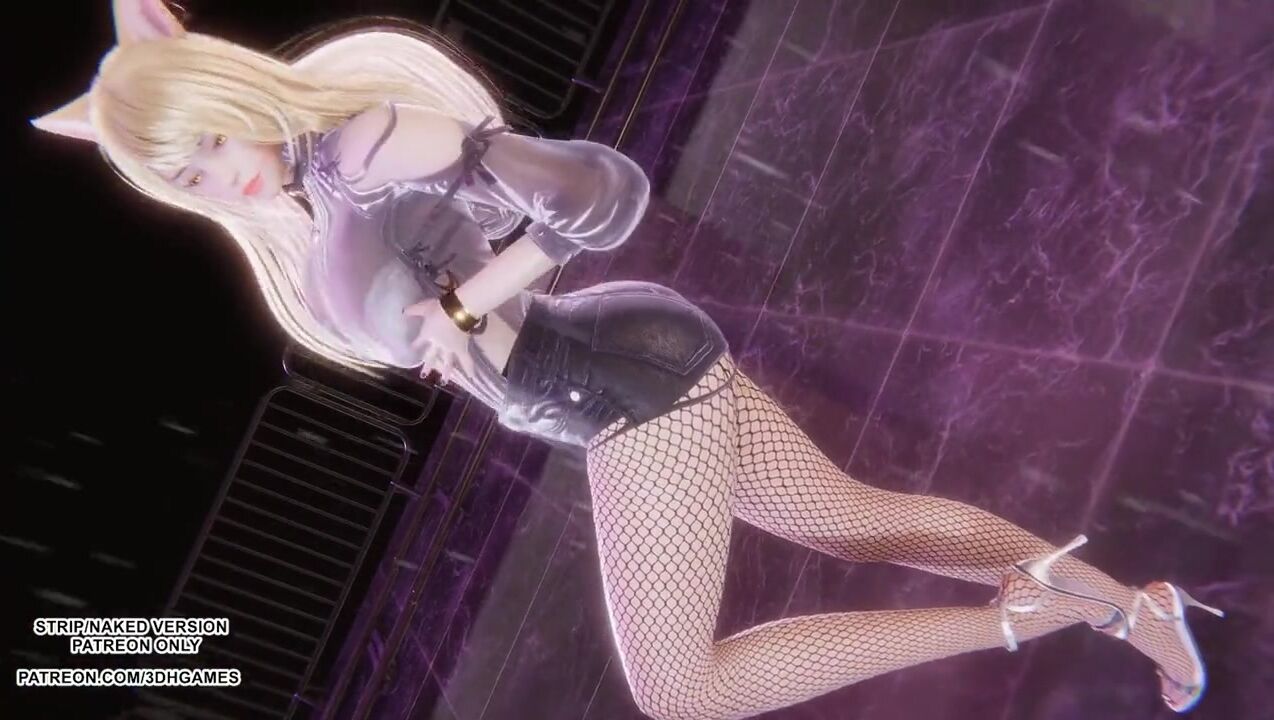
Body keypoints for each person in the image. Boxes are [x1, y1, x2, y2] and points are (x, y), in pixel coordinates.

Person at [33, 2, 1223, 717]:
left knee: (680, 691)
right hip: (617, 369)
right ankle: (1135, 611)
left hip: (615, 387)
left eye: (209, 135)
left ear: (226, 83)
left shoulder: (361, 144)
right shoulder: (312, 206)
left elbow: (600, 194)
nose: (220, 168)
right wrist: (451, 315)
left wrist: (465, 303)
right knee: (862, 523)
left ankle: (1033, 617)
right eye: (187, 171)